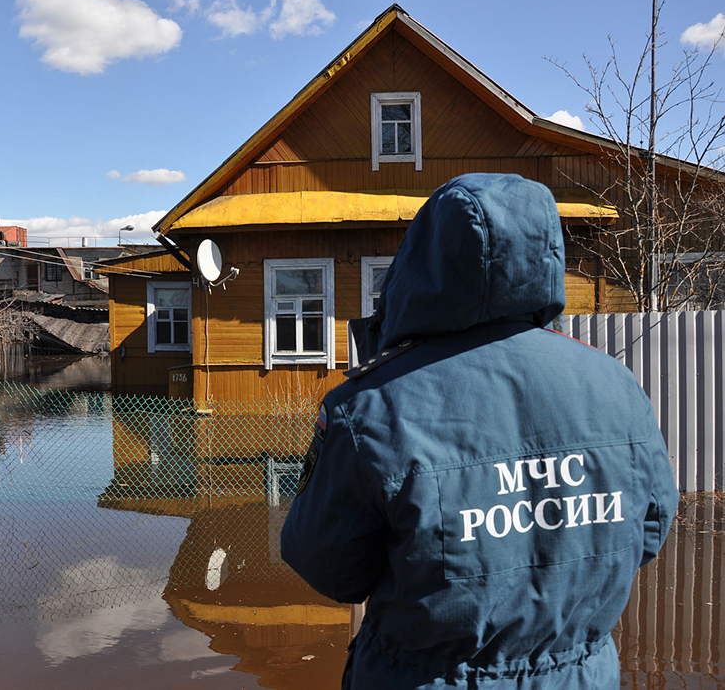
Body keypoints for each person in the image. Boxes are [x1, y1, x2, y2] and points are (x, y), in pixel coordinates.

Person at [281, 173, 679, 689]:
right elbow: (649, 532)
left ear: (425, 263)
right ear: (544, 255)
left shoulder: (372, 406)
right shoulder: (616, 386)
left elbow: (331, 568)